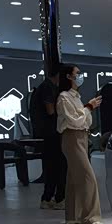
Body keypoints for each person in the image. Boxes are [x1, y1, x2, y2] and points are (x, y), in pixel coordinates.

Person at [56, 65, 104, 224]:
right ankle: (90, 218)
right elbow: (74, 121)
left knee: (74, 177)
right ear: (69, 77)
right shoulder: (64, 97)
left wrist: (88, 109)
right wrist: (88, 107)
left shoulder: (75, 97)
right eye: (77, 73)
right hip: (72, 137)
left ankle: (73, 216)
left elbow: (85, 121)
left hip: (81, 136)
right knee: (87, 176)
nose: (80, 76)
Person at [30, 67, 67, 209]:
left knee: (53, 167)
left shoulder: (46, 87)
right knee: (57, 166)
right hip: (51, 134)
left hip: (50, 134)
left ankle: (49, 198)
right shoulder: (47, 88)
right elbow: (50, 110)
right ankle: (57, 198)